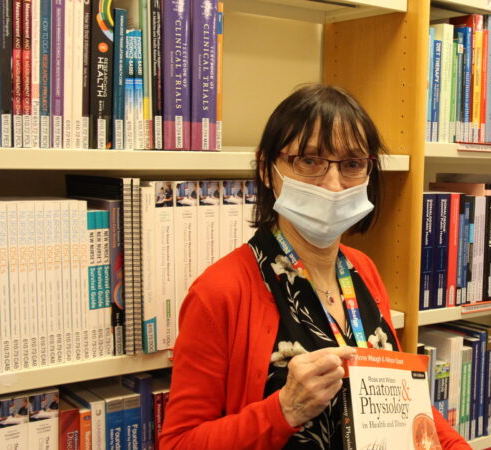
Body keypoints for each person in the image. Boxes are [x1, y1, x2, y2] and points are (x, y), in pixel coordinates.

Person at [160, 84, 469, 449]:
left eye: (353, 164)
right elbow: (178, 443)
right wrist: (284, 410)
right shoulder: (221, 291)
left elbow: (406, 405)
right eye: (309, 161)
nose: (334, 184)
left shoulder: (363, 271)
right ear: (266, 168)